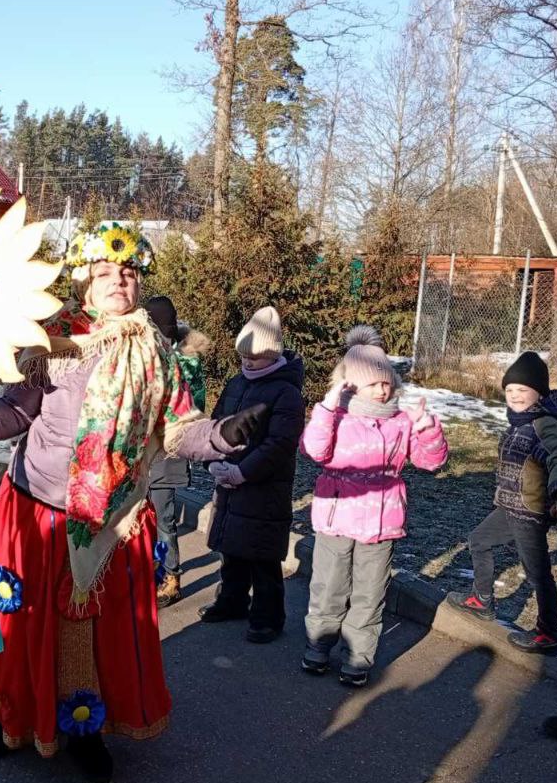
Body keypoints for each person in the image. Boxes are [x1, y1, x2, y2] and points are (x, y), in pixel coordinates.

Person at [0, 222, 263, 783]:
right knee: (22, 620)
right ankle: (9, 712)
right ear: (85, 280)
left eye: (127, 274)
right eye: (105, 273)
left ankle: (83, 728)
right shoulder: (51, 337)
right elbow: (15, 414)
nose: (117, 282)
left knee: (93, 634)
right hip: (38, 505)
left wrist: (225, 434)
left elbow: (179, 431)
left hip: (113, 515)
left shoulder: (155, 351)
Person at [301, 326, 448, 687]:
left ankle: (357, 655)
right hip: (337, 518)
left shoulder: (400, 421)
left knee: (369, 593)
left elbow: (430, 462)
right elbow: (314, 450)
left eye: (387, 382)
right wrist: (325, 408)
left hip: (381, 523)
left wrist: (427, 428)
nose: (383, 389)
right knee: (329, 587)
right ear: (351, 386)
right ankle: (319, 645)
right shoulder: (336, 417)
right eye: (373, 384)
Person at [446, 351, 557, 657]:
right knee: (479, 541)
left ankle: (549, 633)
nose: (514, 396)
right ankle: (482, 600)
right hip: (509, 507)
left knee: (537, 572)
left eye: (522, 391)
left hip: (530, 512)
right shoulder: (518, 422)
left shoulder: (545, 424)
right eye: (510, 391)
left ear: (539, 393)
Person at [199, 305, 304, 641]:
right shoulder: (236, 383)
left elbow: (279, 444)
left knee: (262, 557)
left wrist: (243, 472)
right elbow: (214, 424)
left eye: (256, 356)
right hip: (230, 480)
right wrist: (212, 460)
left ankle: (268, 617)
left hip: (263, 485)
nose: (248, 362)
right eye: (244, 355)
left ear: (273, 353)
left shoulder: (286, 393)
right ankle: (231, 601)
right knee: (232, 549)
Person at [144, 294, 211, 606]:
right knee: (138, 519)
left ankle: (170, 577)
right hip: (140, 454)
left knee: (163, 520)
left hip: (168, 453)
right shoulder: (143, 354)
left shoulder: (185, 362)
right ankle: (145, 572)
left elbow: (191, 410)